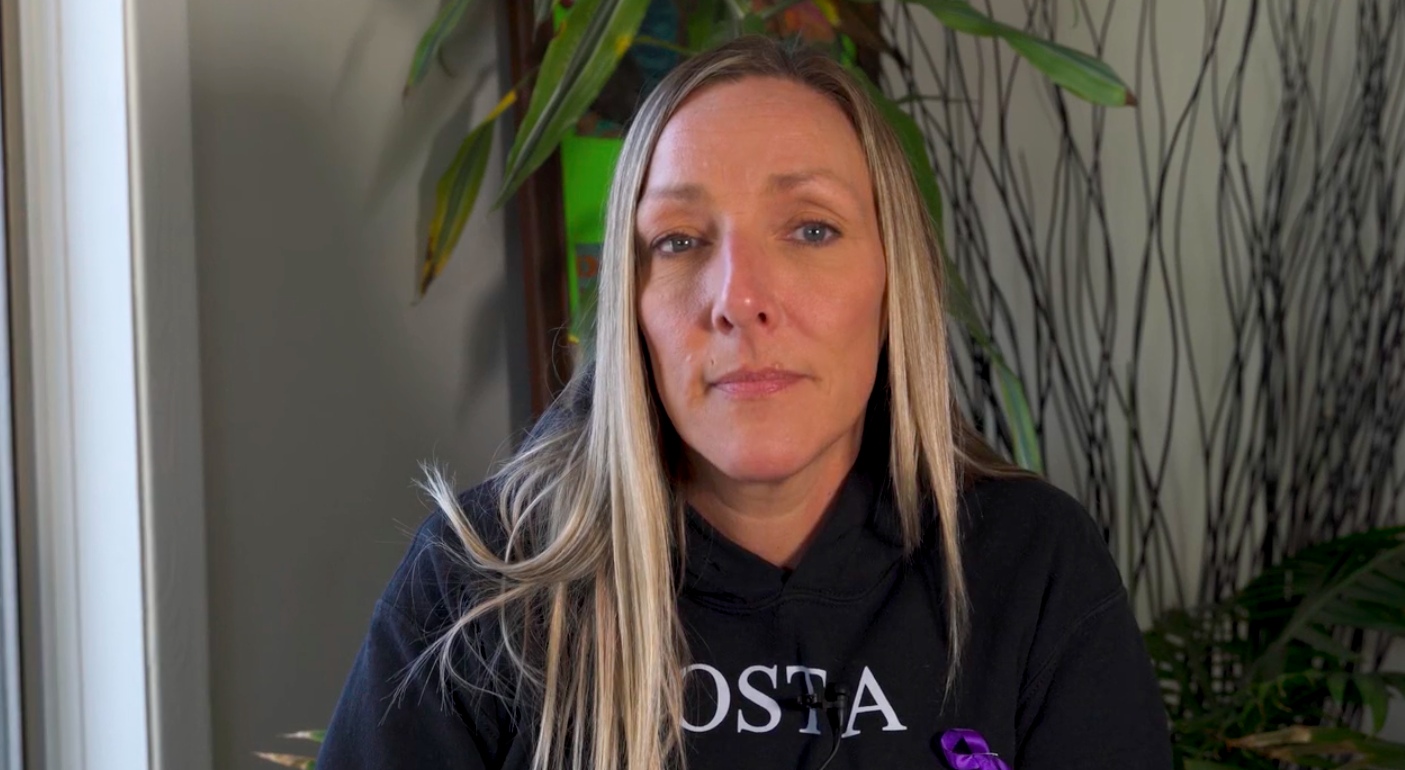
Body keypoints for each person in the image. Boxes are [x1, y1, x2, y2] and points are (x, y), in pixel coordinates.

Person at [317, 35, 1173, 770]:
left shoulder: (1029, 565)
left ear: (892, 280)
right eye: (679, 241)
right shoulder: (479, 587)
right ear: (631, 306)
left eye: (810, 229)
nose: (739, 297)